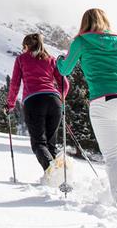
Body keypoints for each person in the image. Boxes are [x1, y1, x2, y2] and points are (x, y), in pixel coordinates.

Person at [56, 9, 117, 198]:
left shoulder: (82, 41)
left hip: (103, 101)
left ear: (84, 23)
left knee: (113, 155)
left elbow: (65, 70)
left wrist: (59, 59)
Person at [5, 33, 69, 172]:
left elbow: (15, 84)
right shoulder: (51, 59)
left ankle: (53, 173)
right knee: (51, 144)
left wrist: (10, 104)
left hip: (34, 101)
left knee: (39, 143)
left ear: (26, 46)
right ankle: (55, 176)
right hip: (54, 101)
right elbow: (65, 84)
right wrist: (61, 100)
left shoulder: (22, 59)